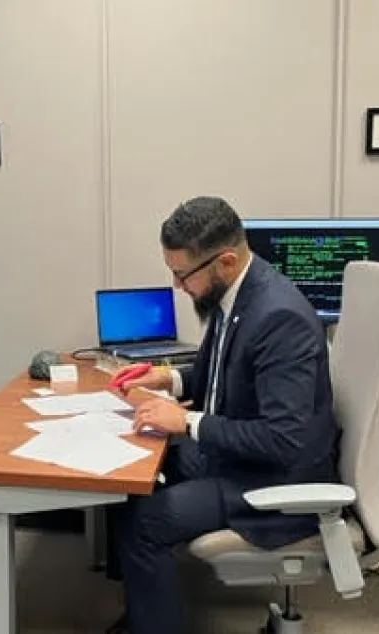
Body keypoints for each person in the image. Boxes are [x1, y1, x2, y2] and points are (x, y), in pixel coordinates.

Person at [108, 197, 340, 634]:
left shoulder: (279, 317)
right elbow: (224, 374)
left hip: (273, 479)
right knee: (126, 479)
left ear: (226, 261)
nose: (177, 285)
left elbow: (282, 439)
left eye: (181, 274)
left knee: (144, 523)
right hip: (237, 458)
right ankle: (146, 608)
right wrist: (169, 379)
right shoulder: (237, 295)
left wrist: (188, 422)